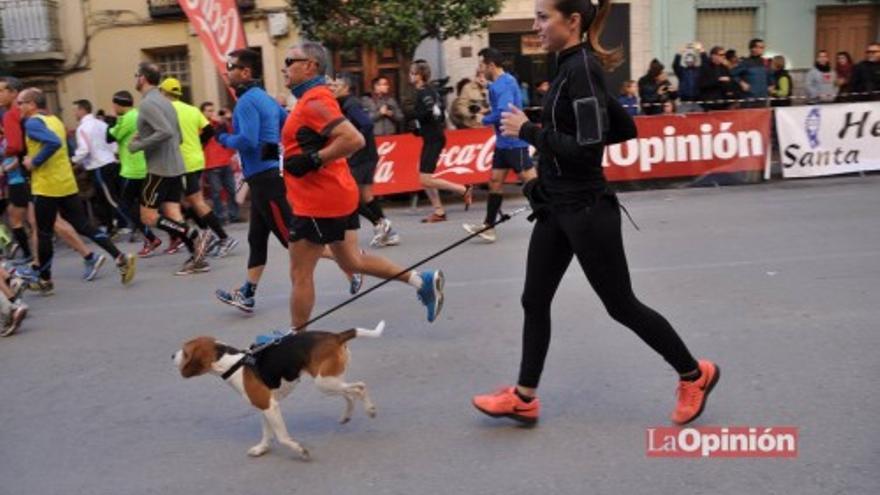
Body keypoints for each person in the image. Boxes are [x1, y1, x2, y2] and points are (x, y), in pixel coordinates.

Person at [471, 0, 719, 427]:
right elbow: (622, 128)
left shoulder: (580, 69)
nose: (536, 26)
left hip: (586, 210)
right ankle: (525, 396)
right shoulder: (574, 67)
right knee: (534, 299)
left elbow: (587, 149)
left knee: (621, 305)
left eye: (543, 17)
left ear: (572, 21)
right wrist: (543, 176)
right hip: (557, 206)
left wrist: (528, 131)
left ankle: (693, 374)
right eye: (535, 17)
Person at [280, 41, 445, 329]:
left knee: (300, 273)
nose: (284, 67)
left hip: (318, 201)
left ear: (310, 66)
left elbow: (354, 139)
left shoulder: (315, 100)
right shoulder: (312, 98)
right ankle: (422, 280)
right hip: (336, 193)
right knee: (352, 261)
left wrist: (313, 160)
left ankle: (296, 342)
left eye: (289, 60)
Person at [214, 49, 357, 313]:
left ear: (245, 72)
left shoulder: (245, 102)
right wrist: (272, 149)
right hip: (265, 177)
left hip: (265, 180)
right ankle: (247, 292)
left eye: (231, 66)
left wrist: (223, 138)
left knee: (293, 241)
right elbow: (287, 125)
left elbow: (247, 139)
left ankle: (351, 268)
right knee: (256, 238)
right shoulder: (265, 98)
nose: (226, 72)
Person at [16, 88, 136, 294]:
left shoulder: (33, 123)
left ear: (32, 104)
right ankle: (120, 257)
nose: (18, 107)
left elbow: (52, 143)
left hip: (46, 187)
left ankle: (45, 280)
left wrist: (33, 162)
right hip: (66, 183)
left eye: (21, 102)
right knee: (84, 225)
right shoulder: (54, 120)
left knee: (43, 233)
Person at [129, 62, 210, 275]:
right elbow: (178, 136)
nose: (135, 78)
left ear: (142, 78)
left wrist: (138, 144)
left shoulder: (148, 104)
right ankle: (197, 258)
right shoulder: (167, 103)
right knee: (173, 212)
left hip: (159, 169)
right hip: (176, 166)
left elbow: (164, 132)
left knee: (148, 217)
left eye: (136, 74)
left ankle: (192, 235)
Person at [462, 47, 537, 243]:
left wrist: (483, 119)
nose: (480, 69)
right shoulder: (499, 83)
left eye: (481, 65)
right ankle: (489, 227)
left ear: (491, 65)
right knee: (495, 182)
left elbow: (503, 112)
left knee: (531, 182)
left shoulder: (503, 84)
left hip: (514, 141)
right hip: (503, 143)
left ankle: (552, 216)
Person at [158, 78, 237, 258]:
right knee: (187, 201)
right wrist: (197, 144)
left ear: (164, 93)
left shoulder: (164, 112)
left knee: (194, 201)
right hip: (196, 160)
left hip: (181, 163)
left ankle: (223, 238)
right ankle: (207, 234)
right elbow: (210, 131)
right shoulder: (192, 110)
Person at [330, 73, 400, 248]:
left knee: (350, 195)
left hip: (361, 156)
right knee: (366, 195)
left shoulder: (350, 103)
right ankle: (388, 231)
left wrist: (355, 144)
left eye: (336, 85)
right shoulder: (344, 103)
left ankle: (379, 223)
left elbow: (367, 124)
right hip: (367, 154)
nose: (332, 88)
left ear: (346, 87)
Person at [409, 59, 473, 223]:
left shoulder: (425, 92)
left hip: (434, 138)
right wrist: (419, 126)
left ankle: (462, 189)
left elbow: (433, 113)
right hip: (432, 136)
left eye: (412, 73)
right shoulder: (429, 91)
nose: (410, 76)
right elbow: (438, 112)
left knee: (425, 178)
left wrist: (417, 118)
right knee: (423, 175)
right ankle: (439, 211)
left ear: (420, 75)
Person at [108, 90, 162, 256]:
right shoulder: (137, 114)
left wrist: (112, 120)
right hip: (144, 166)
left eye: (114, 104)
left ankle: (151, 238)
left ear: (118, 104)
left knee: (127, 206)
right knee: (147, 206)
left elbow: (110, 136)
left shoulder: (127, 118)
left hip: (132, 170)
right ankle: (174, 234)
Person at [71, 99, 131, 235]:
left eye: (75, 110)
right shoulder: (101, 124)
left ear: (82, 110)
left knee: (109, 198)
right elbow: (112, 143)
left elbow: (84, 149)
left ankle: (127, 223)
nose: (74, 113)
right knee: (105, 198)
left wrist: (73, 160)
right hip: (110, 162)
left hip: (98, 166)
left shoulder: (82, 128)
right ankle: (111, 227)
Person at [200, 102, 240, 224]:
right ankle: (220, 216)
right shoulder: (200, 126)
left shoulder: (220, 124)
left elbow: (233, 133)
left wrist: (227, 119)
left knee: (232, 190)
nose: (211, 113)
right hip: (211, 163)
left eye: (212, 110)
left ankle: (233, 215)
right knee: (216, 192)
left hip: (225, 162)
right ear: (202, 112)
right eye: (208, 111)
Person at [731, 38, 773, 108]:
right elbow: (732, 74)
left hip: (763, 98)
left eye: (763, 47)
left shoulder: (765, 62)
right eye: (760, 47)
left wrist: (772, 84)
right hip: (749, 99)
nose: (762, 49)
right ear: (752, 49)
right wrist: (741, 83)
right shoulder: (745, 62)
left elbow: (770, 75)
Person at [672, 42, 707, 113]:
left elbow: (706, 64)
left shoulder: (699, 71)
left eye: (691, 60)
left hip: (697, 101)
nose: (690, 62)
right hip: (684, 102)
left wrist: (701, 51)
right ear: (685, 61)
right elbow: (675, 65)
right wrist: (679, 53)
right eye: (688, 60)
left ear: (695, 60)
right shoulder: (682, 71)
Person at [698, 46, 736, 111]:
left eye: (724, 55)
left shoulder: (724, 68)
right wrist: (718, 80)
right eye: (721, 55)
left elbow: (731, 81)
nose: (723, 57)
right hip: (710, 105)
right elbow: (702, 84)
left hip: (724, 105)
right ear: (713, 56)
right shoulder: (705, 67)